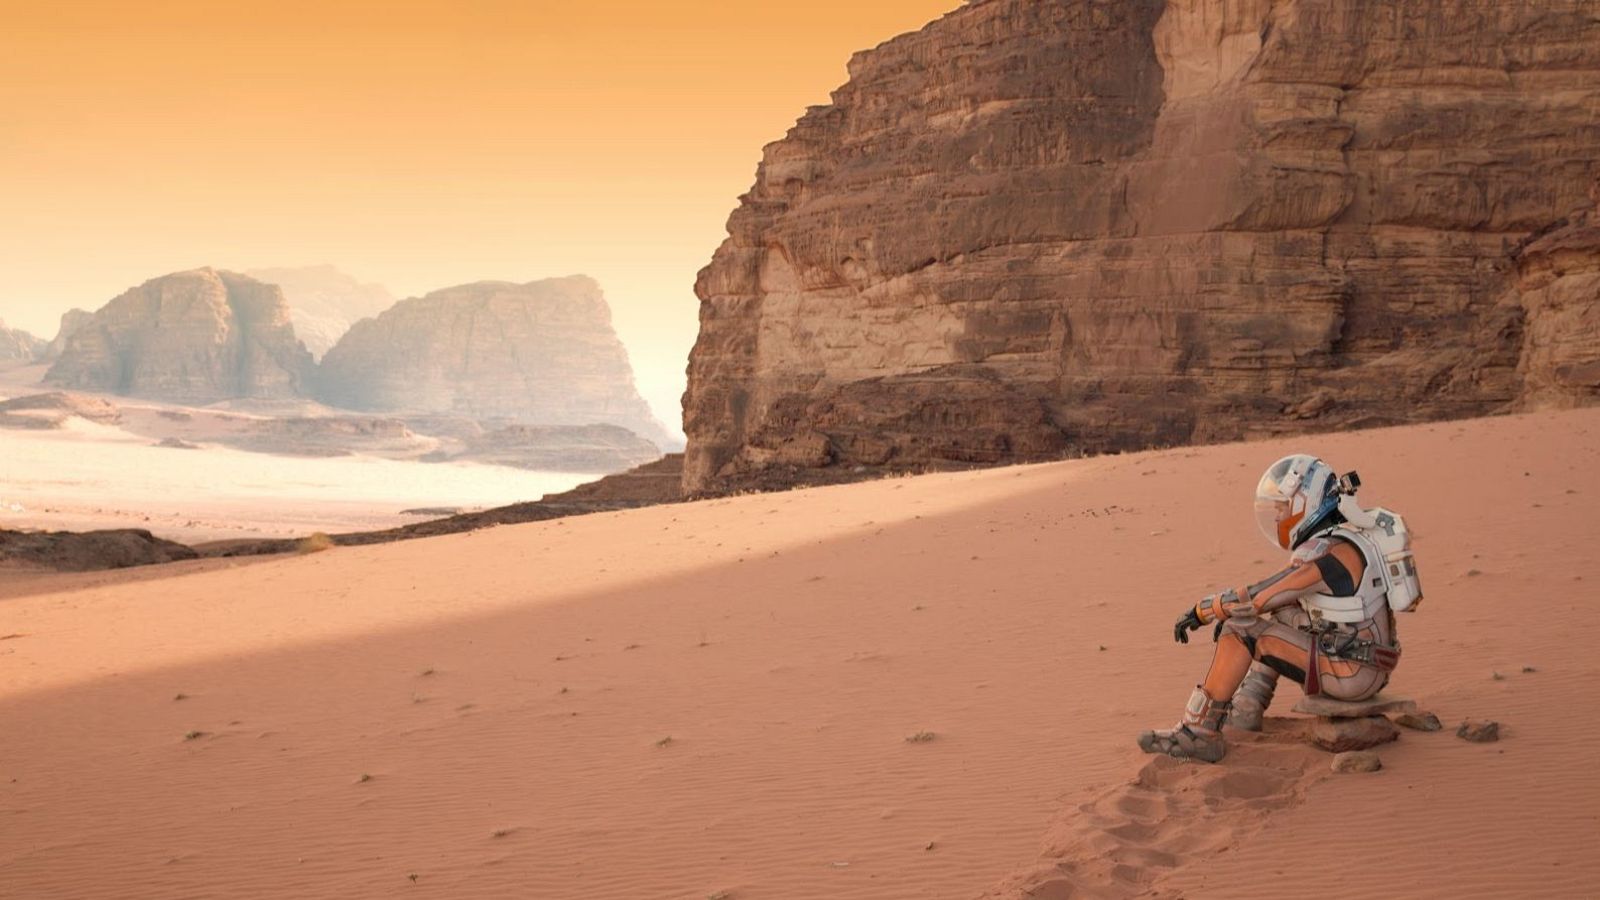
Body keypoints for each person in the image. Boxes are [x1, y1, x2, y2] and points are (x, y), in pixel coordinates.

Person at [1137, 454, 1417, 763]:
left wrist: (1205, 610)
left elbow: (1260, 596)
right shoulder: (1344, 541)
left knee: (1240, 629)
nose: (1278, 517)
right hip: (1364, 664)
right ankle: (1247, 709)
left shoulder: (1328, 554)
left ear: (1304, 502)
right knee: (1282, 614)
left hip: (1351, 675)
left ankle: (1199, 733)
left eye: (1282, 507)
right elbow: (1278, 598)